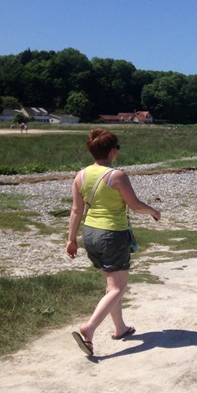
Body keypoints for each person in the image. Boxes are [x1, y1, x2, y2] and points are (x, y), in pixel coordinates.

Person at [66, 129, 161, 357]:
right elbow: (135, 206)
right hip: (112, 235)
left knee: (111, 286)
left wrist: (71, 240)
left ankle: (120, 328)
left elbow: (76, 210)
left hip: (90, 235)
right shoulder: (116, 176)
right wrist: (154, 212)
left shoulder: (80, 176)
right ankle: (89, 329)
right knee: (118, 288)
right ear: (112, 151)